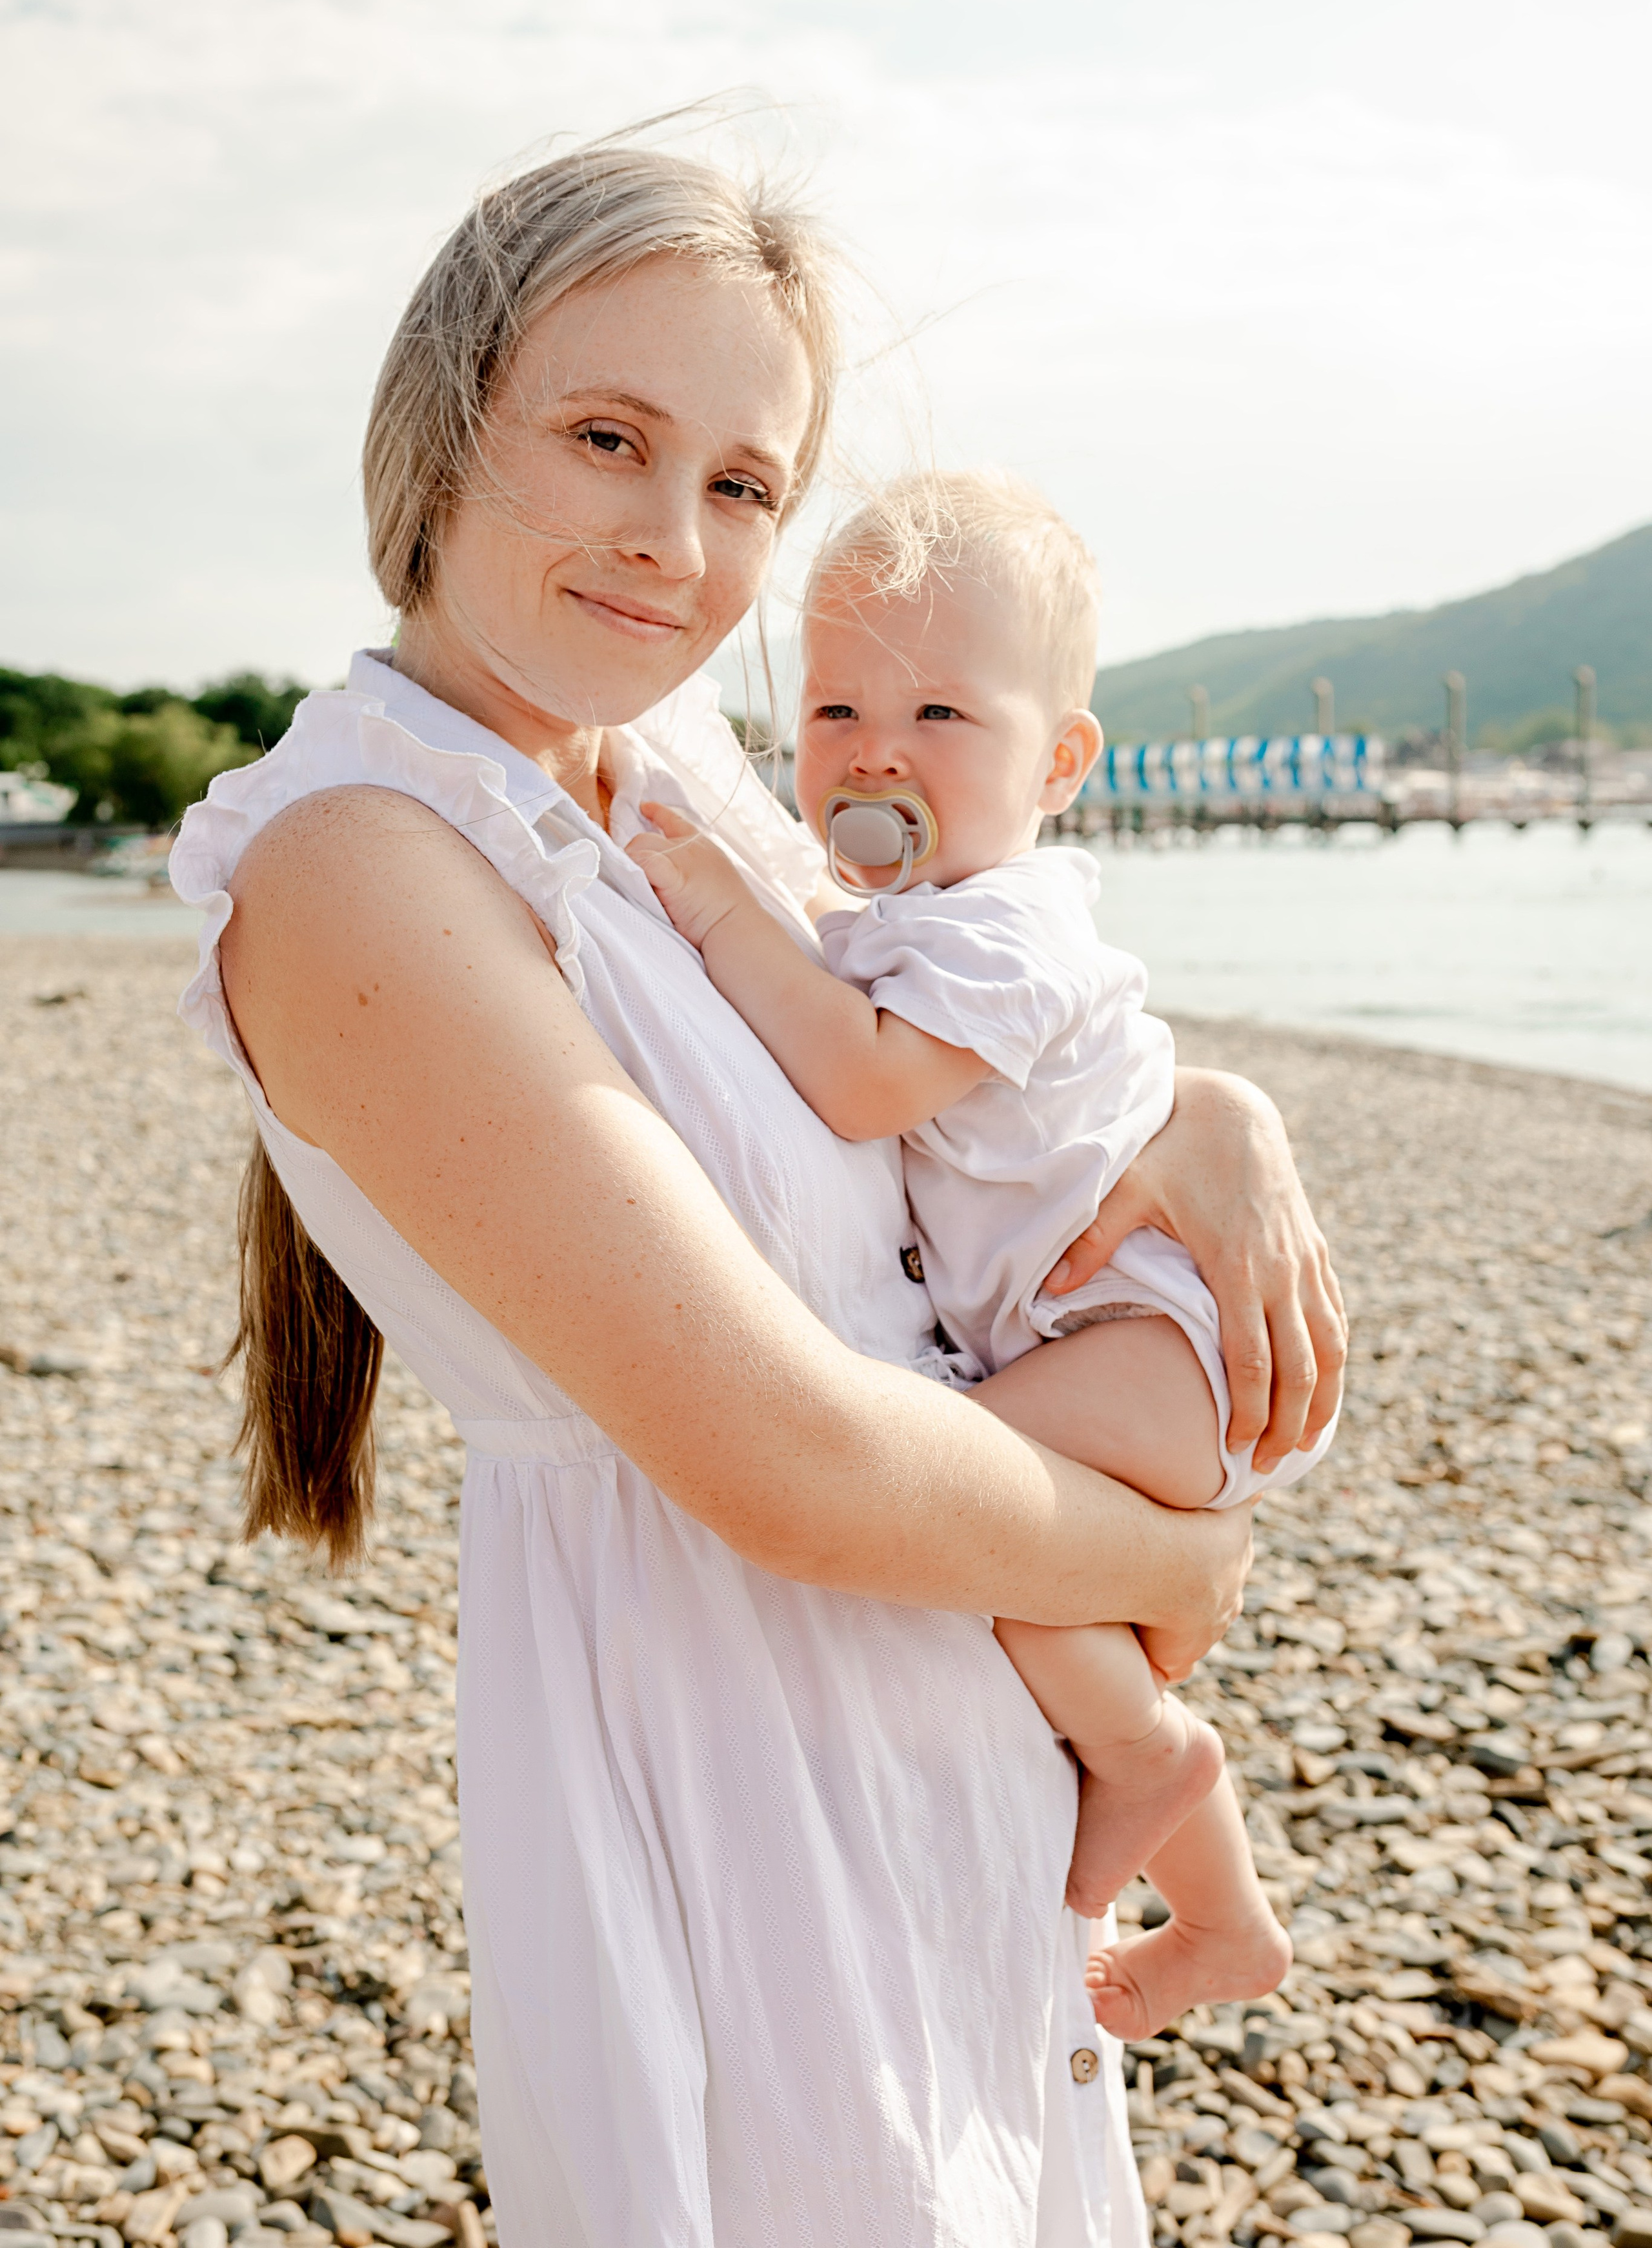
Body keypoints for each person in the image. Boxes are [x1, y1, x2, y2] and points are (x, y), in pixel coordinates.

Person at [170, 139, 1346, 2247]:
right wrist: (1184, 1560)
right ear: (440, 431)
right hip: (728, 1763)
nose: (673, 543)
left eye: (741, 488)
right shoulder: (363, 860)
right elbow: (783, 1455)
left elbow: (975, 1071)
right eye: (609, 439)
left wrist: (1219, 1121)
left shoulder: (668, 771)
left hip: (933, 1740)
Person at [631, 468, 1340, 2046]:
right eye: (833, 711)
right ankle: (1220, 1920)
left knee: (961, 1517)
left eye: (941, 713)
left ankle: (1157, 1773)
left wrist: (713, 911)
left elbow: (865, 1076)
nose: (875, 751)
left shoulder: (1009, 926)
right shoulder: (909, 913)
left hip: (1160, 1345)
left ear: (1060, 760)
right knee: (1033, 1589)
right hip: (1103, 1343)